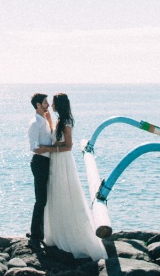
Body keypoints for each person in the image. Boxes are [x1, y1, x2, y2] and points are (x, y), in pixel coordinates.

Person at [42, 93, 107, 261]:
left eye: (54, 103)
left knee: (65, 194)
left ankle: (72, 237)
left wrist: (49, 149)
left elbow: (68, 146)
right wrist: (49, 121)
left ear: (59, 105)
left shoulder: (66, 122)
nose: (52, 106)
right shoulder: (59, 120)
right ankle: (57, 233)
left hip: (63, 161)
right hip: (57, 161)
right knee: (56, 195)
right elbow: (57, 138)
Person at [27, 93, 54, 247]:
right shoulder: (35, 123)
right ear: (38, 105)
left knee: (45, 199)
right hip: (39, 162)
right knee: (41, 199)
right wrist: (53, 149)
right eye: (45, 102)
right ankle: (35, 235)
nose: (48, 105)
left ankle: (42, 232)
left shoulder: (44, 121)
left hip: (46, 161)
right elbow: (34, 147)